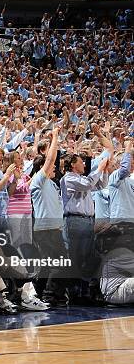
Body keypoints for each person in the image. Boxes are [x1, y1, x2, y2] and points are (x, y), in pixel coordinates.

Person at [60, 152, 110, 301]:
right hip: (75, 221)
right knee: (76, 256)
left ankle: (84, 291)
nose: (84, 164)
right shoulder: (68, 178)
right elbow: (89, 183)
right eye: (81, 162)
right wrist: (99, 168)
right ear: (73, 164)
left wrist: (105, 170)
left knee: (88, 256)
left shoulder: (82, 178)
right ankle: (73, 292)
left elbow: (101, 184)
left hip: (87, 221)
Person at [30, 128, 70, 306]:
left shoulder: (51, 184)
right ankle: (48, 295)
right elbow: (51, 159)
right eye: (51, 166)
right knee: (59, 262)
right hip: (46, 229)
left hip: (51, 228)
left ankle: (34, 293)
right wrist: (55, 137)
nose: (54, 167)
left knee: (47, 265)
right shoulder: (39, 179)